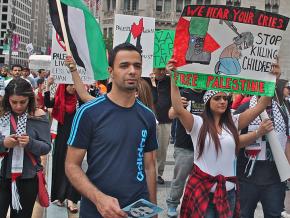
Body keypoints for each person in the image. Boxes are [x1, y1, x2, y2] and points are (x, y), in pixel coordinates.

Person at [167, 58, 280, 218]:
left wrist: (272, 79)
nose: (222, 101)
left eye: (225, 98)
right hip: (203, 192)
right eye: (217, 98)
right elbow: (178, 109)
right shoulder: (197, 123)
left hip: (228, 193)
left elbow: (261, 105)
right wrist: (173, 78)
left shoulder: (234, 121)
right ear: (208, 102)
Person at [65, 42, 158, 218]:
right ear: (110, 71)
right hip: (97, 210)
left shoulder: (147, 116)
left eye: (137, 66)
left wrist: (152, 210)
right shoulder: (88, 113)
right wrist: (99, 198)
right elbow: (71, 165)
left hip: (137, 209)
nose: (132, 71)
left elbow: (149, 166)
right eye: (124, 65)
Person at [235, 78, 290, 218]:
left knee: (274, 214)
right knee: (243, 215)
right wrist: (258, 133)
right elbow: (233, 142)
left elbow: (287, 142)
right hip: (247, 176)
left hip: (275, 179)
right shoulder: (244, 109)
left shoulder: (284, 111)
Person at [0, 78, 51, 218]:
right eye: (14, 102)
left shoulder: (38, 116)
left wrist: (30, 143)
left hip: (27, 178)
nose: (18, 106)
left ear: (30, 99)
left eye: (23, 102)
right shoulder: (2, 114)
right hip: (2, 175)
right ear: (7, 99)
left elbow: (46, 147)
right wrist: (4, 143)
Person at [166, 88, 205, 217]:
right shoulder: (184, 93)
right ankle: (172, 203)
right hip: (184, 145)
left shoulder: (210, 92)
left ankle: (197, 205)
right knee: (180, 178)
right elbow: (171, 114)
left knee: (201, 181)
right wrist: (178, 107)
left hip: (204, 145)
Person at [44, 77, 80, 213]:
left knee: (74, 167)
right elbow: (47, 103)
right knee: (60, 165)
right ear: (64, 86)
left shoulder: (79, 100)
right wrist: (48, 85)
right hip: (61, 138)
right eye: (69, 85)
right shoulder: (59, 100)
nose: (72, 88)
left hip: (76, 139)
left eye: (74, 84)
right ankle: (60, 196)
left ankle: (72, 199)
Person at [152, 68, 172, 185]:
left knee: (162, 149)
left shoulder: (170, 80)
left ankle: (158, 174)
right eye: (158, 69)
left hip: (165, 120)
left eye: (163, 69)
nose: (161, 72)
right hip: (148, 120)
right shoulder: (146, 80)